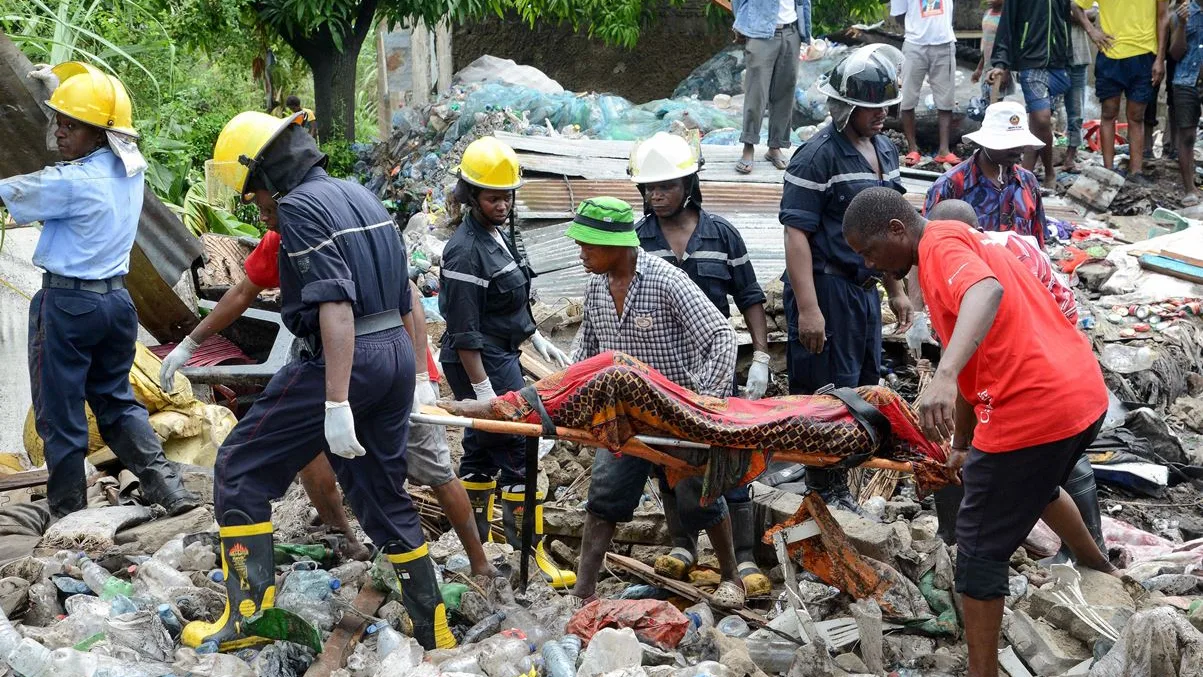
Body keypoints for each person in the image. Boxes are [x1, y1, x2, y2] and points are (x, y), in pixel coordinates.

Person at [181, 111, 453, 651]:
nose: (255, 202)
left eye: (254, 189)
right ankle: (433, 621)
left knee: (240, 467)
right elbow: (406, 297)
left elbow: (333, 302)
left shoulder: (300, 207)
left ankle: (246, 618)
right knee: (378, 489)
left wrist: (335, 399)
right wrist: (419, 375)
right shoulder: (361, 195)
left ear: (271, 175)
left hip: (343, 359)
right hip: (394, 353)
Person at [842, 187, 1119, 677]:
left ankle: (981, 672)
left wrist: (942, 376)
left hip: (1035, 410)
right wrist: (962, 446)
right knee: (1035, 486)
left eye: (868, 251)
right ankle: (1098, 565)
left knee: (976, 552)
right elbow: (975, 366)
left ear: (896, 230)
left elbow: (984, 292)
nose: (868, 263)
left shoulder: (938, 248)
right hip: (1081, 394)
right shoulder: (958, 234)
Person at [157, 194, 495, 574]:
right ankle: (355, 545)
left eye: (269, 210)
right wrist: (190, 343)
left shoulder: (330, 231)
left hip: (386, 365)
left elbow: (403, 300)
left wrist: (418, 375)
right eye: (264, 213)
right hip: (357, 361)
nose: (267, 220)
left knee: (431, 471)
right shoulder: (282, 238)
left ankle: (480, 563)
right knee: (348, 472)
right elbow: (242, 291)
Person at [0, 62, 198, 519]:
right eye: (59, 122)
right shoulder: (130, 167)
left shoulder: (71, 183)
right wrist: (62, 92)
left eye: (72, 126)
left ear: (97, 134)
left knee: (60, 415)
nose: (60, 133)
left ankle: (68, 514)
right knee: (117, 403)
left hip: (69, 305)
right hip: (114, 304)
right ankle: (170, 490)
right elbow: (114, 131)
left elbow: (17, 192)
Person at [565, 197, 746, 608]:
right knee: (605, 497)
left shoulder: (666, 281)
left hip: (676, 413)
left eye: (589, 245)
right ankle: (583, 592)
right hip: (625, 417)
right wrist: (568, 399)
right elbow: (587, 349)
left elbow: (721, 336)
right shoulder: (596, 285)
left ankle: (732, 575)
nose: (582, 253)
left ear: (619, 245)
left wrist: (704, 405)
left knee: (698, 497)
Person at [628, 132, 773, 596]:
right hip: (661, 374)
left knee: (728, 457)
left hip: (715, 370)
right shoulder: (636, 240)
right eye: (649, 188)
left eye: (666, 185)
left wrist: (761, 357)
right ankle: (683, 544)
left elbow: (749, 297)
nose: (656, 195)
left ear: (689, 183)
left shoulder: (721, 234)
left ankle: (745, 558)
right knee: (669, 461)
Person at [921, 200, 1107, 560]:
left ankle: (1082, 546)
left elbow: (971, 351)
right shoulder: (979, 256)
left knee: (1036, 467)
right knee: (1035, 480)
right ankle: (1094, 559)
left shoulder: (976, 260)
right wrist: (961, 440)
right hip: (1051, 367)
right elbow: (965, 356)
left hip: (1042, 374)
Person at [779, 45, 914, 513]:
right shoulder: (816, 156)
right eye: (871, 109)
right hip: (825, 285)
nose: (881, 117)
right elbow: (796, 234)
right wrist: (809, 308)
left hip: (863, 288)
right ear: (846, 108)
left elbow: (888, 224)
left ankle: (844, 474)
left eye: (885, 108)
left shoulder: (885, 149)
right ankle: (823, 482)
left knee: (863, 383)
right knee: (826, 390)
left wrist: (895, 289)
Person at [438, 136, 576, 589]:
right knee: (520, 448)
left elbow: (504, 300)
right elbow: (464, 330)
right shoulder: (464, 249)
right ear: (471, 196)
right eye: (493, 196)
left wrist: (535, 337)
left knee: (480, 451)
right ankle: (527, 559)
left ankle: (482, 544)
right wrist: (484, 394)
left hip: (502, 350)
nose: (503, 204)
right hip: (479, 361)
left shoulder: (497, 235)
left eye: (507, 195)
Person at [923, 101, 1050, 248]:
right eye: (1008, 144)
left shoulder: (1028, 182)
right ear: (985, 143)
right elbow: (929, 245)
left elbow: (1039, 243)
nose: (1017, 150)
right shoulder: (950, 185)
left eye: (1020, 144)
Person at [1072, 0, 1168, 185]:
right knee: (1109, 112)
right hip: (1110, 54)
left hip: (1144, 53)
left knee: (1136, 116)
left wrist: (1160, 58)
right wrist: (1092, 32)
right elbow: (1076, 6)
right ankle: (1108, 172)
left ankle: (1136, 172)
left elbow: (1162, 17)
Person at [987, 0, 1072, 189]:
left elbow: (1064, 21)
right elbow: (1007, 24)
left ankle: (1024, 174)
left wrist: (1068, 57)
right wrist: (1001, 62)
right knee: (1042, 119)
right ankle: (1050, 171)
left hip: (1058, 63)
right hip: (1030, 62)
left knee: (1036, 122)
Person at [732, 0, 812, 173]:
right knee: (756, 94)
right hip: (760, 33)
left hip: (792, 31)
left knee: (785, 92)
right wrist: (741, 25)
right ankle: (748, 146)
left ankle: (775, 146)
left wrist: (805, 32)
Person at [891, 0, 960, 166]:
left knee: (946, 99)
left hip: (945, 43)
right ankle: (912, 149)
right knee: (907, 98)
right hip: (914, 44)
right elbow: (899, 15)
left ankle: (944, 151)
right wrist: (917, 29)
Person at [1168, 0, 1203, 203]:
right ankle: (1189, 190)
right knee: (1187, 136)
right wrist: (1181, 24)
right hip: (1185, 81)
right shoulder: (1180, 15)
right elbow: (1175, 53)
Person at [1060, 7, 1097, 173]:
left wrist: (1062, 12)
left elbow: (1093, 14)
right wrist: (1077, 14)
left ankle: (1070, 156)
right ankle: (1041, 155)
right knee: (1043, 110)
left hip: (1078, 57)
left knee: (1076, 112)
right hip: (1051, 59)